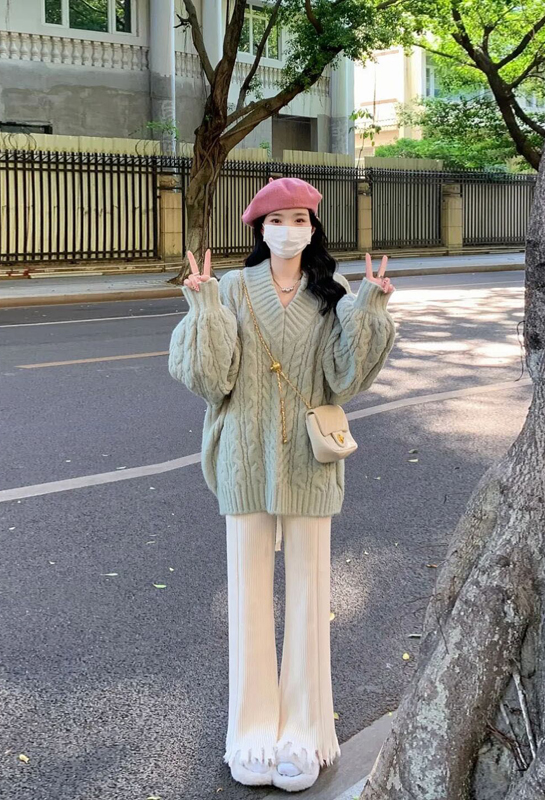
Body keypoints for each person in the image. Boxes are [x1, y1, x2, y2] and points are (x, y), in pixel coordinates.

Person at [168, 177, 396, 791]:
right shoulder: (232, 289)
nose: (289, 230)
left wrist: (369, 309)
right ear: (259, 229)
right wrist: (204, 307)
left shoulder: (332, 295)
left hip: (309, 461)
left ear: (313, 229)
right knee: (247, 598)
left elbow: (345, 380)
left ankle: (303, 731)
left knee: (308, 596)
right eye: (277, 220)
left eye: (300, 220)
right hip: (243, 458)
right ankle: (251, 733)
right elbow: (211, 380)